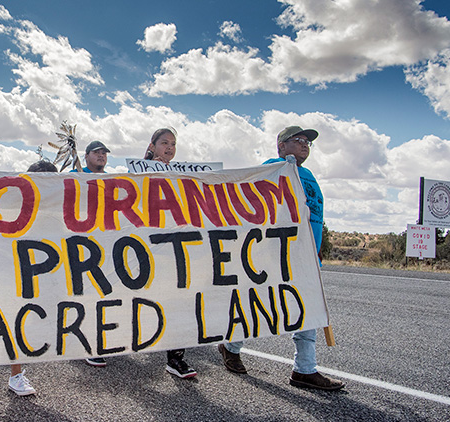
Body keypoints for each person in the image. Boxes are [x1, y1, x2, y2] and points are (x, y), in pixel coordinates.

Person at [217, 125, 345, 391]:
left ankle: (304, 370)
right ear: (281, 146)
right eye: (297, 140)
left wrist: (317, 248)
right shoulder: (271, 169)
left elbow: (314, 216)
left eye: (308, 142)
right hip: (273, 256)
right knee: (257, 306)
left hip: (307, 257)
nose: (304, 144)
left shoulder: (308, 175)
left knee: (308, 310)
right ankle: (230, 346)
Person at [141, 128, 198, 379]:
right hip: (145, 249)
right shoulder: (137, 172)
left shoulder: (182, 175)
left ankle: (176, 360)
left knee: (180, 302)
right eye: (164, 142)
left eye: (173, 144)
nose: (170, 147)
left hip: (173, 250)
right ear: (152, 146)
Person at [4, 159, 59, 396]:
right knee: (17, 318)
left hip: (48, 273)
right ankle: (15, 374)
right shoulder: (14, 207)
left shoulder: (58, 207)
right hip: (19, 272)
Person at [71, 141, 110, 367]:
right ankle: (87, 343)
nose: (102, 156)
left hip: (105, 243)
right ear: (85, 156)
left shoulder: (113, 181)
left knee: (102, 292)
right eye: (97, 152)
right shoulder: (74, 174)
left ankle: (98, 340)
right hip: (77, 244)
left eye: (104, 153)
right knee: (83, 293)